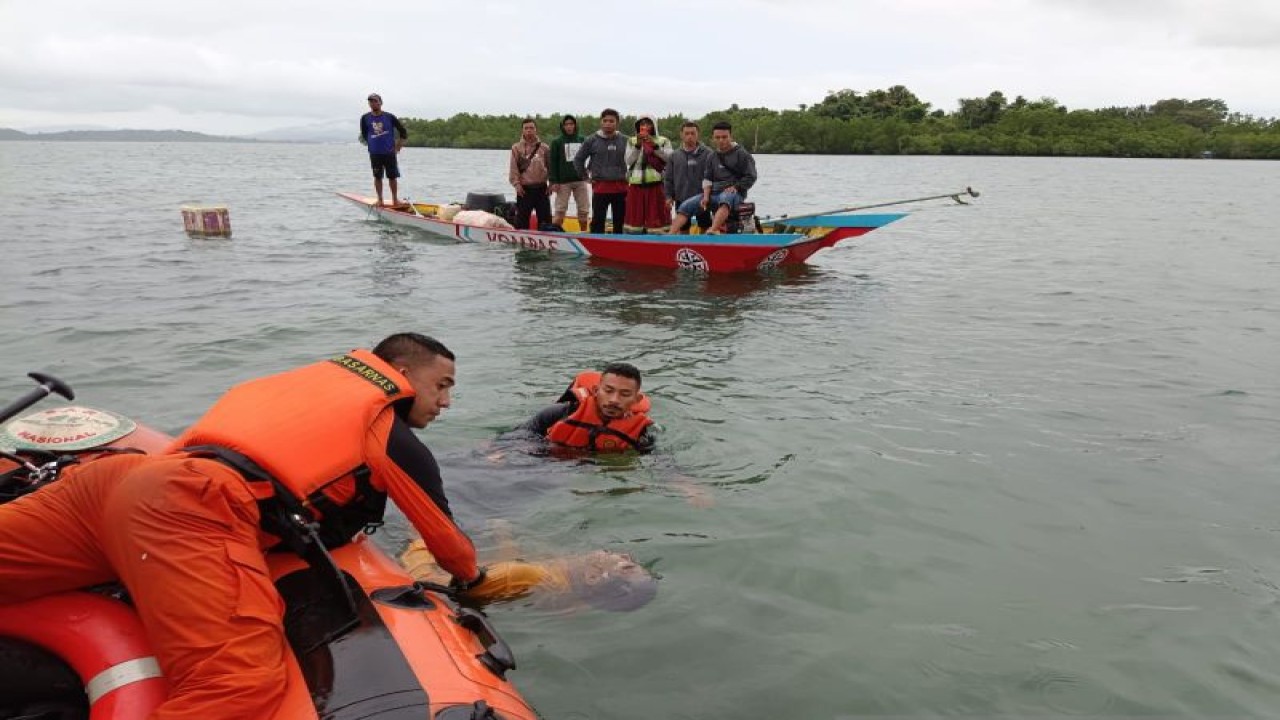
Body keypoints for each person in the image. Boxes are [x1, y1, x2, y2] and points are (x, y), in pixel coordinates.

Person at [0, 333, 484, 718]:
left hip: (117, 481)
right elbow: (445, 540)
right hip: (188, 507)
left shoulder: (297, 386)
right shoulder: (386, 430)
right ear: (401, 374)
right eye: (442, 385)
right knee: (238, 684)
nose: (445, 402)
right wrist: (474, 581)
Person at [401, 536, 657, 612]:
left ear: (592, 577)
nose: (625, 554)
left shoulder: (523, 575)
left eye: (626, 566)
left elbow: (429, 584)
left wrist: (420, 538)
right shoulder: (570, 599)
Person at [516, 363, 655, 453]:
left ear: (636, 400)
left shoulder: (641, 432)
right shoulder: (560, 412)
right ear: (596, 391)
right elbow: (518, 435)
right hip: (541, 457)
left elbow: (658, 459)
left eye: (624, 394)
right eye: (608, 391)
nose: (614, 400)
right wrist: (498, 452)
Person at [671, 120, 757, 235]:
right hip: (713, 193)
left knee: (725, 199)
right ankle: (670, 235)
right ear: (713, 138)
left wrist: (736, 187)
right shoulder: (712, 156)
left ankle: (713, 229)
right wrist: (706, 197)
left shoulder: (742, 154)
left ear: (731, 136)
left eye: (724, 137)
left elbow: (751, 176)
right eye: (717, 137)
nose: (721, 140)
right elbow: (707, 179)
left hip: (733, 194)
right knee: (686, 205)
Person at [573, 108, 629, 234]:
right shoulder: (591, 140)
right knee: (598, 221)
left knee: (620, 222)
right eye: (605, 121)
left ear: (617, 123)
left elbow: (636, 159)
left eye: (611, 121)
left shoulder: (626, 140)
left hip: (621, 188)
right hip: (600, 187)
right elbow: (578, 159)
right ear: (601, 122)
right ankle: (596, 247)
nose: (608, 123)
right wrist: (584, 176)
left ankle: (620, 247)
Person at [622, 115, 673, 232]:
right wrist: (638, 146)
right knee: (634, 221)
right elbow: (628, 161)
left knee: (657, 219)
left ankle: (659, 240)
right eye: (642, 124)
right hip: (636, 184)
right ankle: (634, 241)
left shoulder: (663, 141)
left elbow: (669, 158)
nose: (644, 127)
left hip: (656, 184)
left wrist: (654, 146)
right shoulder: (632, 141)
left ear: (653, 126)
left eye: (648, 124)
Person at [663, 121, 714, 234]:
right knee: (683, 228)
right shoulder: (674, 155)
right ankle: (683, 248)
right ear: (681, 135)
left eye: (693, 133)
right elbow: (668, 178)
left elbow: (713, 176)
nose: (690, 136)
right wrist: (668, 196)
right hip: (681, 198)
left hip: (702, 199)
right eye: (687, 133)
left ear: (698, 134)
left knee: (705, 226)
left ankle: (704, 247)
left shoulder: (708, 153)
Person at [359, 93, 409, 206]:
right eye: (370, 101)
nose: (373, 103)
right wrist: (372, 144)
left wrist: (398, 147)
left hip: (389, 153)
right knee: (377, 177)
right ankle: (380, 200)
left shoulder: (389, 116)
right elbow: (364, 134)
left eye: (375, 101)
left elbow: (403, 132)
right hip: (375, 153)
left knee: (392, 177)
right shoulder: (365, 118)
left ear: (380, 102)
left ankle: (395, 200)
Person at [548, 115, 590, 231]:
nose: (569, 126)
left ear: (575, 125)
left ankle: (584, 233)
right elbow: (553, 163)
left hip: (580, 180)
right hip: (563, 182)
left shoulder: (582, 140)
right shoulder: (557, 142)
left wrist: (588, 173)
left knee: (583, 209)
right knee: (560, 209)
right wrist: (553, 181)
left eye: (571, 124)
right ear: (563, 126)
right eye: (566, 124)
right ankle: (555, 232)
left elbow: (591, 157)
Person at [508, 117, 552, 230]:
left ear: (536, 130)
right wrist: (516, 185)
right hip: (524, 190)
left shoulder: (545, 148)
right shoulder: (516, 148)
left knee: (545, 221)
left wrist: (551, 183)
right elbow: (513, 168)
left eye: (531, 128)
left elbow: (551, 167)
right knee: (522, 222)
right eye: (526, 128)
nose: (529, 130)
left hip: (542, 189)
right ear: (522, 130)